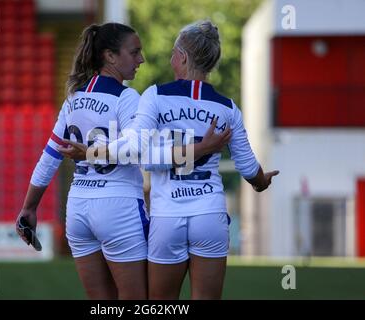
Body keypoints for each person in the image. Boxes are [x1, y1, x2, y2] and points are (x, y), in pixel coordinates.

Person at [59, 20, 279, 300]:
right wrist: (261, 182)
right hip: (209, 214)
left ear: (183, 57)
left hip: (167, 217)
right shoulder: (227, 108)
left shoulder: (155, 96)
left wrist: (89, 152)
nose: (170, 57)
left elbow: (143, 156)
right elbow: (249, 168)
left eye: (174, 52)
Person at [15, 22, 150, 300]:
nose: (141, 59)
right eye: (134, 52)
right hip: (119, 208)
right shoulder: (126, 98)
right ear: (110, 56)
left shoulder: (74, 98)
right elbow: (136, 150)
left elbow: (49, 157)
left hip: (78, 209)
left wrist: (29, 207)